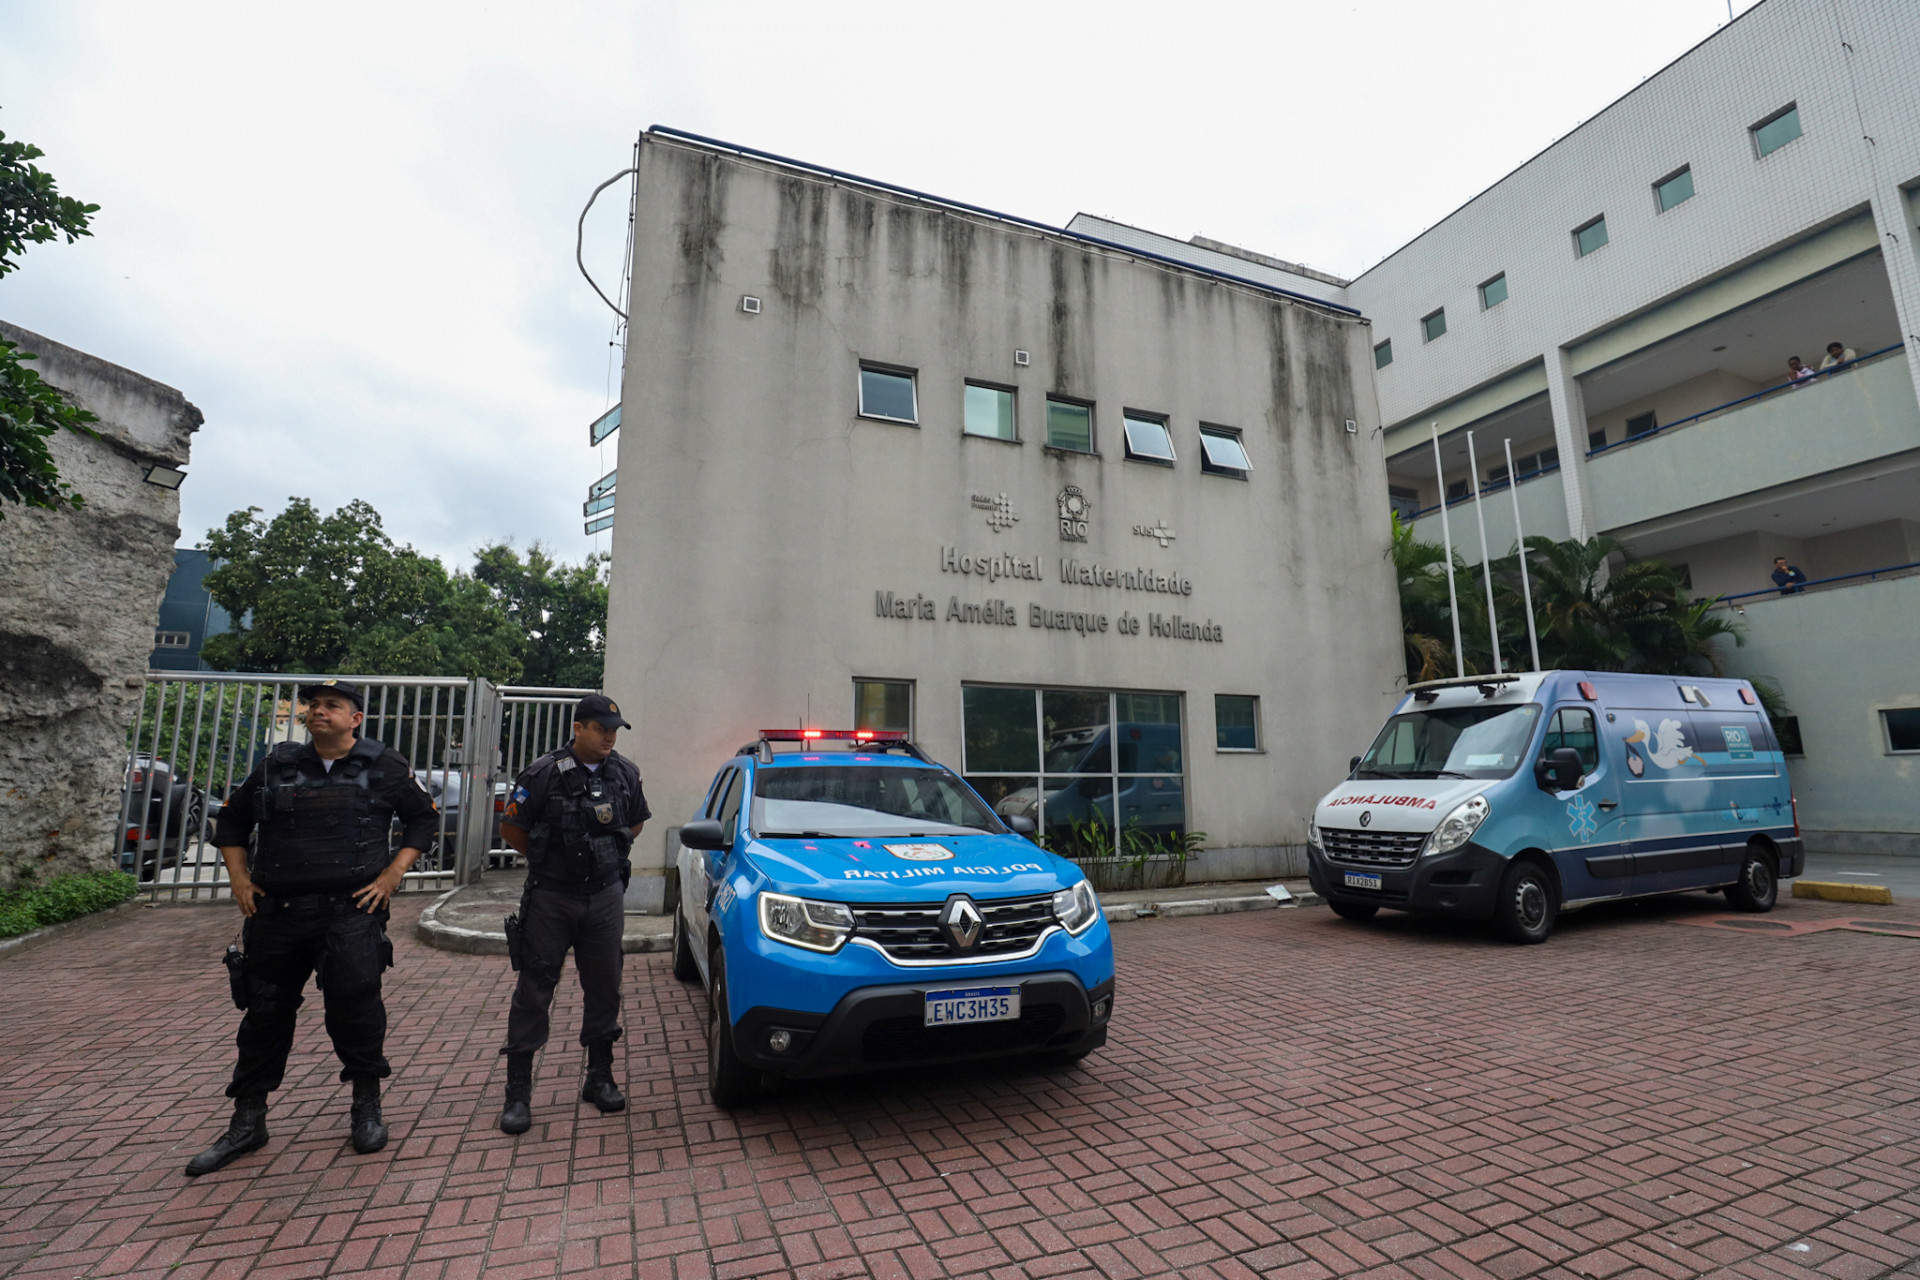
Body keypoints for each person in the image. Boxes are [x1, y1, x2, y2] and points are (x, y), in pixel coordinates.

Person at [185, 680, 438, 1176]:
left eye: (331, 705)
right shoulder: (277, 765)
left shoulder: (385, 765)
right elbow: (231, 822)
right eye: (313, 705)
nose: (318, 711)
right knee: (264, 1014)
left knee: (356, 1010)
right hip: (277, 915)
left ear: (355, 718)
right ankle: (248, 1121)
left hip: (350, 913)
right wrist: (239, 878)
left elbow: (423, 821)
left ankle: (366, 1106)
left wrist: (392, 874)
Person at [496, 693, 649, 1134]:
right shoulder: (542, 772)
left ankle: (599, 1078)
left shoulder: (625, 772)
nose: (609, 737)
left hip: (604, 896)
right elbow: (512, 829)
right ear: (578, 728)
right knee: (535, 990)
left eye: (614, 730)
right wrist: (553, 861)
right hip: (552, 898)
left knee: (604, 987)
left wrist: (603, 855)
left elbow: (635, 822)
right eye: (600, 729)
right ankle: (518, 1093)